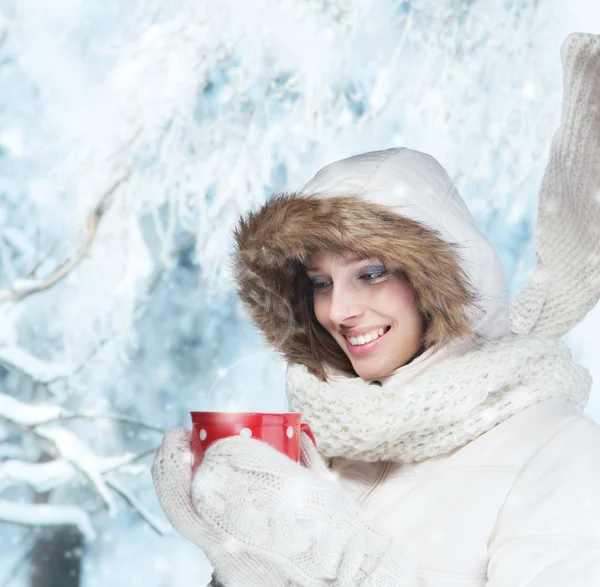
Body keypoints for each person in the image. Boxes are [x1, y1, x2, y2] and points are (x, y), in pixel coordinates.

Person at [152, 32, 600, 586]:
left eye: (371, 273)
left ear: (442, 281)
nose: (338, 309)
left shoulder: (557, 449)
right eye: (319, 283)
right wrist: (243, 567)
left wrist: (355, 567)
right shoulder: (325, 449)